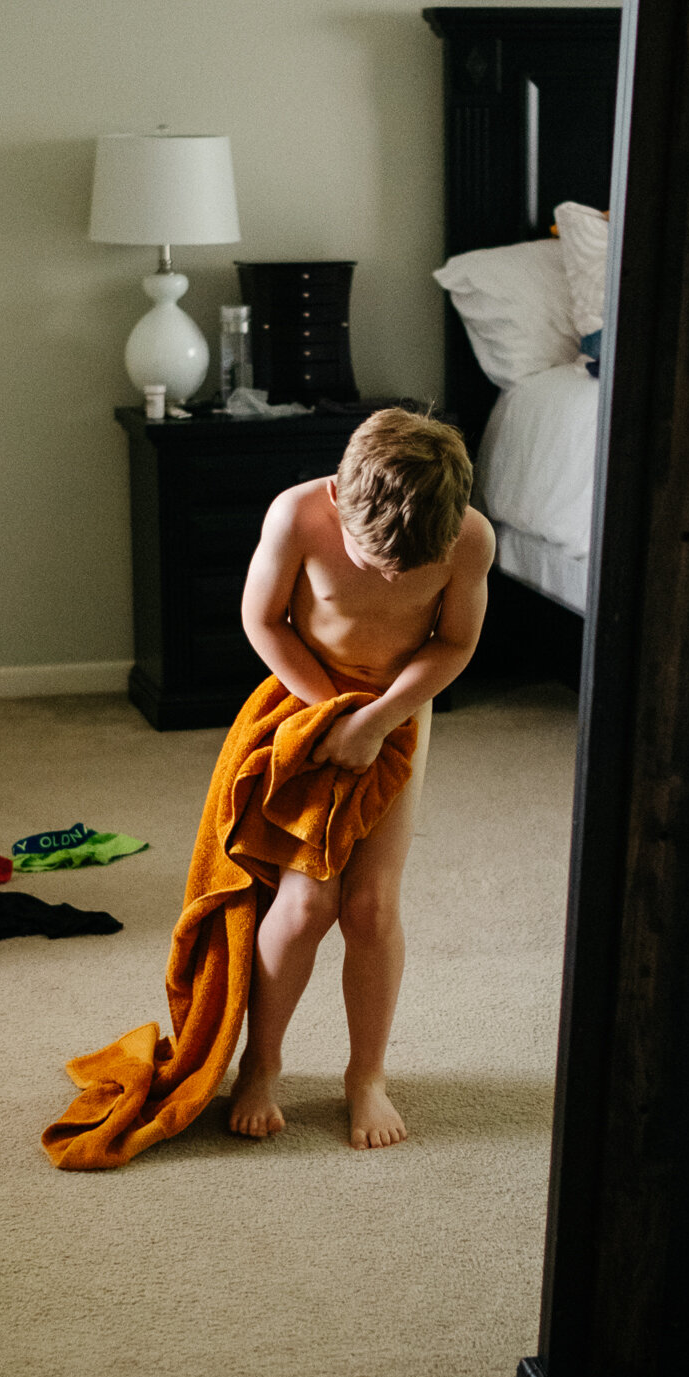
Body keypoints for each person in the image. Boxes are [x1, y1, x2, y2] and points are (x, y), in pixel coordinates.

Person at [230, 408, 494, 1149]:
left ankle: (365, 1076)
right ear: (341, 499)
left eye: (407, 570)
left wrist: (377, 720)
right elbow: (265, 622)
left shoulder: (468, 537)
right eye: (375, 559)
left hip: (398, 714)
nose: (389, 577)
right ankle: (262, 1061)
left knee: (372, 906)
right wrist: (335, 717)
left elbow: (454, 641)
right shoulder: (297, 515)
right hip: (304, 702)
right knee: (307, 899)